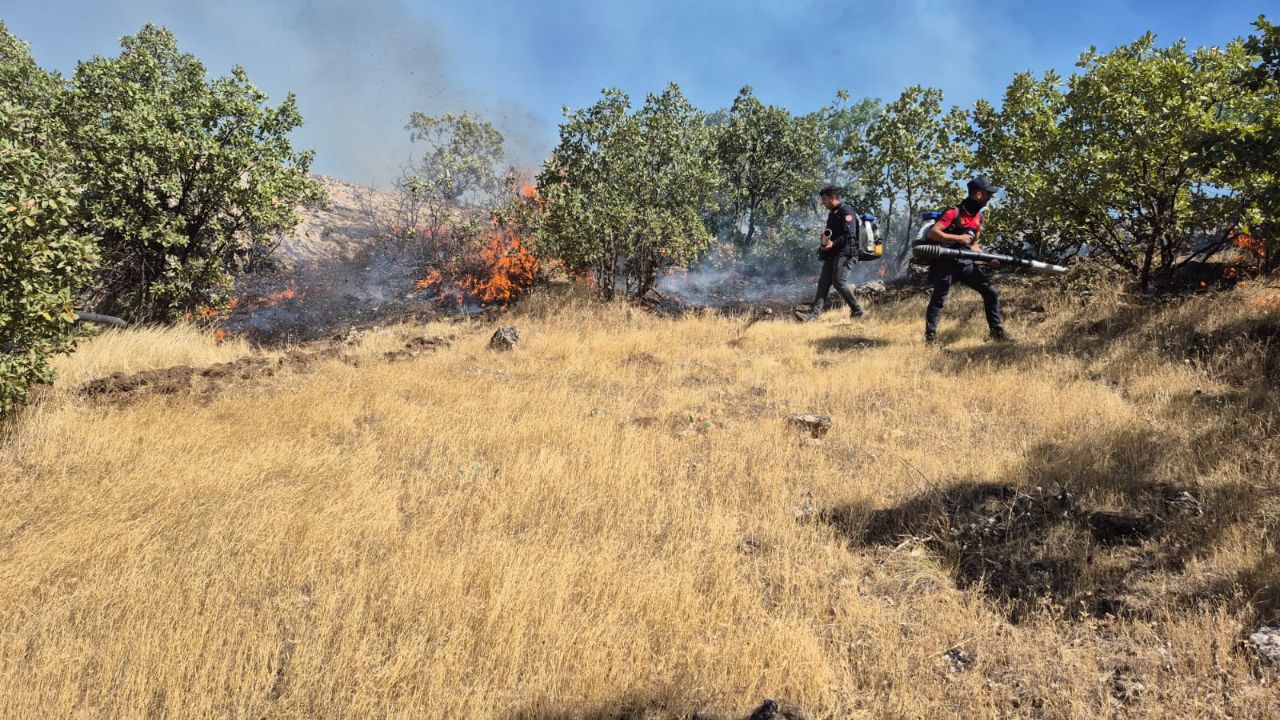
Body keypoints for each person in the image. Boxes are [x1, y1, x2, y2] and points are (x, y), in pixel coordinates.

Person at [923, 176, 1014, 345]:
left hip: (967, 264)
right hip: (946, 263)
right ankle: (931, 339)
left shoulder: (979, 218)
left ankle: (996, 332)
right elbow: (933, 233)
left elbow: (974, 246)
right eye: (988, 194)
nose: (990, 198)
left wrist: (988, 260)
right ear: (979, 194)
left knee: (990, 292)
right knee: (938, 299)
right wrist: (957, 238)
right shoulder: (953, 212)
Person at [794, 185, 865, 322]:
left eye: (825, 199)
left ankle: (857, 311)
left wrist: (833, 243)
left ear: (833, 198)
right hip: (834, 254)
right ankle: (814, 316)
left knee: (839, 282)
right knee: (823, 283)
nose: (823, 202)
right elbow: (832, 235)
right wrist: (824, 243)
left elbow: (849, 235)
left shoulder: (846, 210)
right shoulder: (833, 213)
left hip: (846, 252)